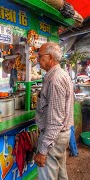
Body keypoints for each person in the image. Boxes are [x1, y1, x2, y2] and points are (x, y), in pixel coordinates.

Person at [34, 42, 74, 180]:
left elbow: (55, 120)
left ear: (50, 57)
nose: (37, 59)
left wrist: (43, 150)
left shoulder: (55, 79)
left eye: (39, 56)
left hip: (54, 138)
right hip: (61, 136)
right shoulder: (61, 74)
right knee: (61, 174)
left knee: (48, 176)